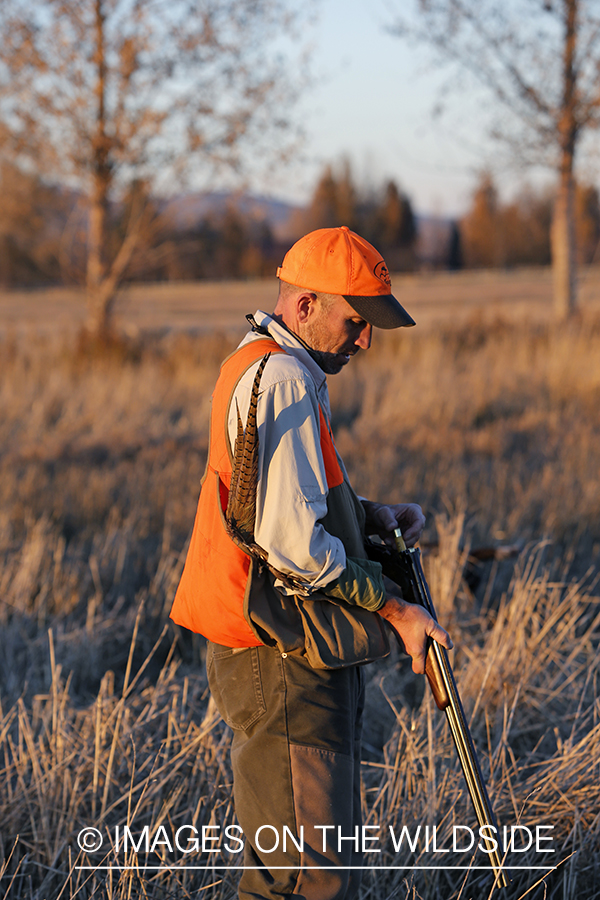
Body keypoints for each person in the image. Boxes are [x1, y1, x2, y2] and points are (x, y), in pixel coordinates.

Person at [171, 226, 453, 900]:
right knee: (303, 882)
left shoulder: (261, 363)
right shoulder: (288, 378)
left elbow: (280, 504)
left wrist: (370, 516)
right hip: (283, 655)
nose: (365, 341)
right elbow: (294, 547)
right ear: (305, 306)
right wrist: (397, 609)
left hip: (282, 649)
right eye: (356, 322)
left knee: (306, 870)